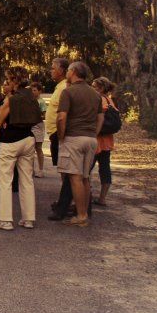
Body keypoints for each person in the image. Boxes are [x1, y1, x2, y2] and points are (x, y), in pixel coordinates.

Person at [0, 67, 39, 230]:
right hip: (28, 138)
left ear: (14, 81)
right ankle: (29, 218)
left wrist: (0, 113)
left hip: (10, 140)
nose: (7, 82)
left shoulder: (11, 99)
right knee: (27, 180)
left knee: (5, 180)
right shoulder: (31, 96)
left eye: (9, 79)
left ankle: (5, 219)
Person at [56, 61, 103, 228]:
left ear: (74, 71)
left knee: (74, 177)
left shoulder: (68, 92)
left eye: (68, 70)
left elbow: (62, 117)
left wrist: (61, 135)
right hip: (90, 139)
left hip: (73, 137)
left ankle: (81, 215)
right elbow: (100, 118)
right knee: (85, 177)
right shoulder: (95, 94)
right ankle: (84, 212)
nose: (67, 72)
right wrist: (94, 133)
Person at [45, 58, 74, 221]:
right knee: (62, 169)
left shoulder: (65, 87)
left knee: (66, 170)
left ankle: (67, 202)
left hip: (59, 134)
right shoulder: (59, 86)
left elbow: (64, 114)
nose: (51, 71)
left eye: (53, 68)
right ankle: (67, 200)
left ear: (62, 70)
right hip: (55, 133)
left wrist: (61, 135)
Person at [91, 76, 118, 207]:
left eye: (94, 87)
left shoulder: (99, 99)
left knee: (86, 168)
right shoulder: (110, 100)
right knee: (105, 169)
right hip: (107, 141)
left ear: (100, 88)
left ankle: (84, 195)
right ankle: (102, 198)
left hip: (97, 139)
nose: (92, 89)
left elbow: (97, 118)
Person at [30, 81, 47, 178]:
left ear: (40, 91)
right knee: (30, 149)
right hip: (30, 126)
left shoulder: (41, 102)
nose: (33, 92)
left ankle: (41, 169)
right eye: (32, 90)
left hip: (38, 125)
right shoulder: (30, 100)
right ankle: (30, 169)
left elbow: (43, 115)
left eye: (35, 90)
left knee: (38, 148)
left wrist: (35, 115)